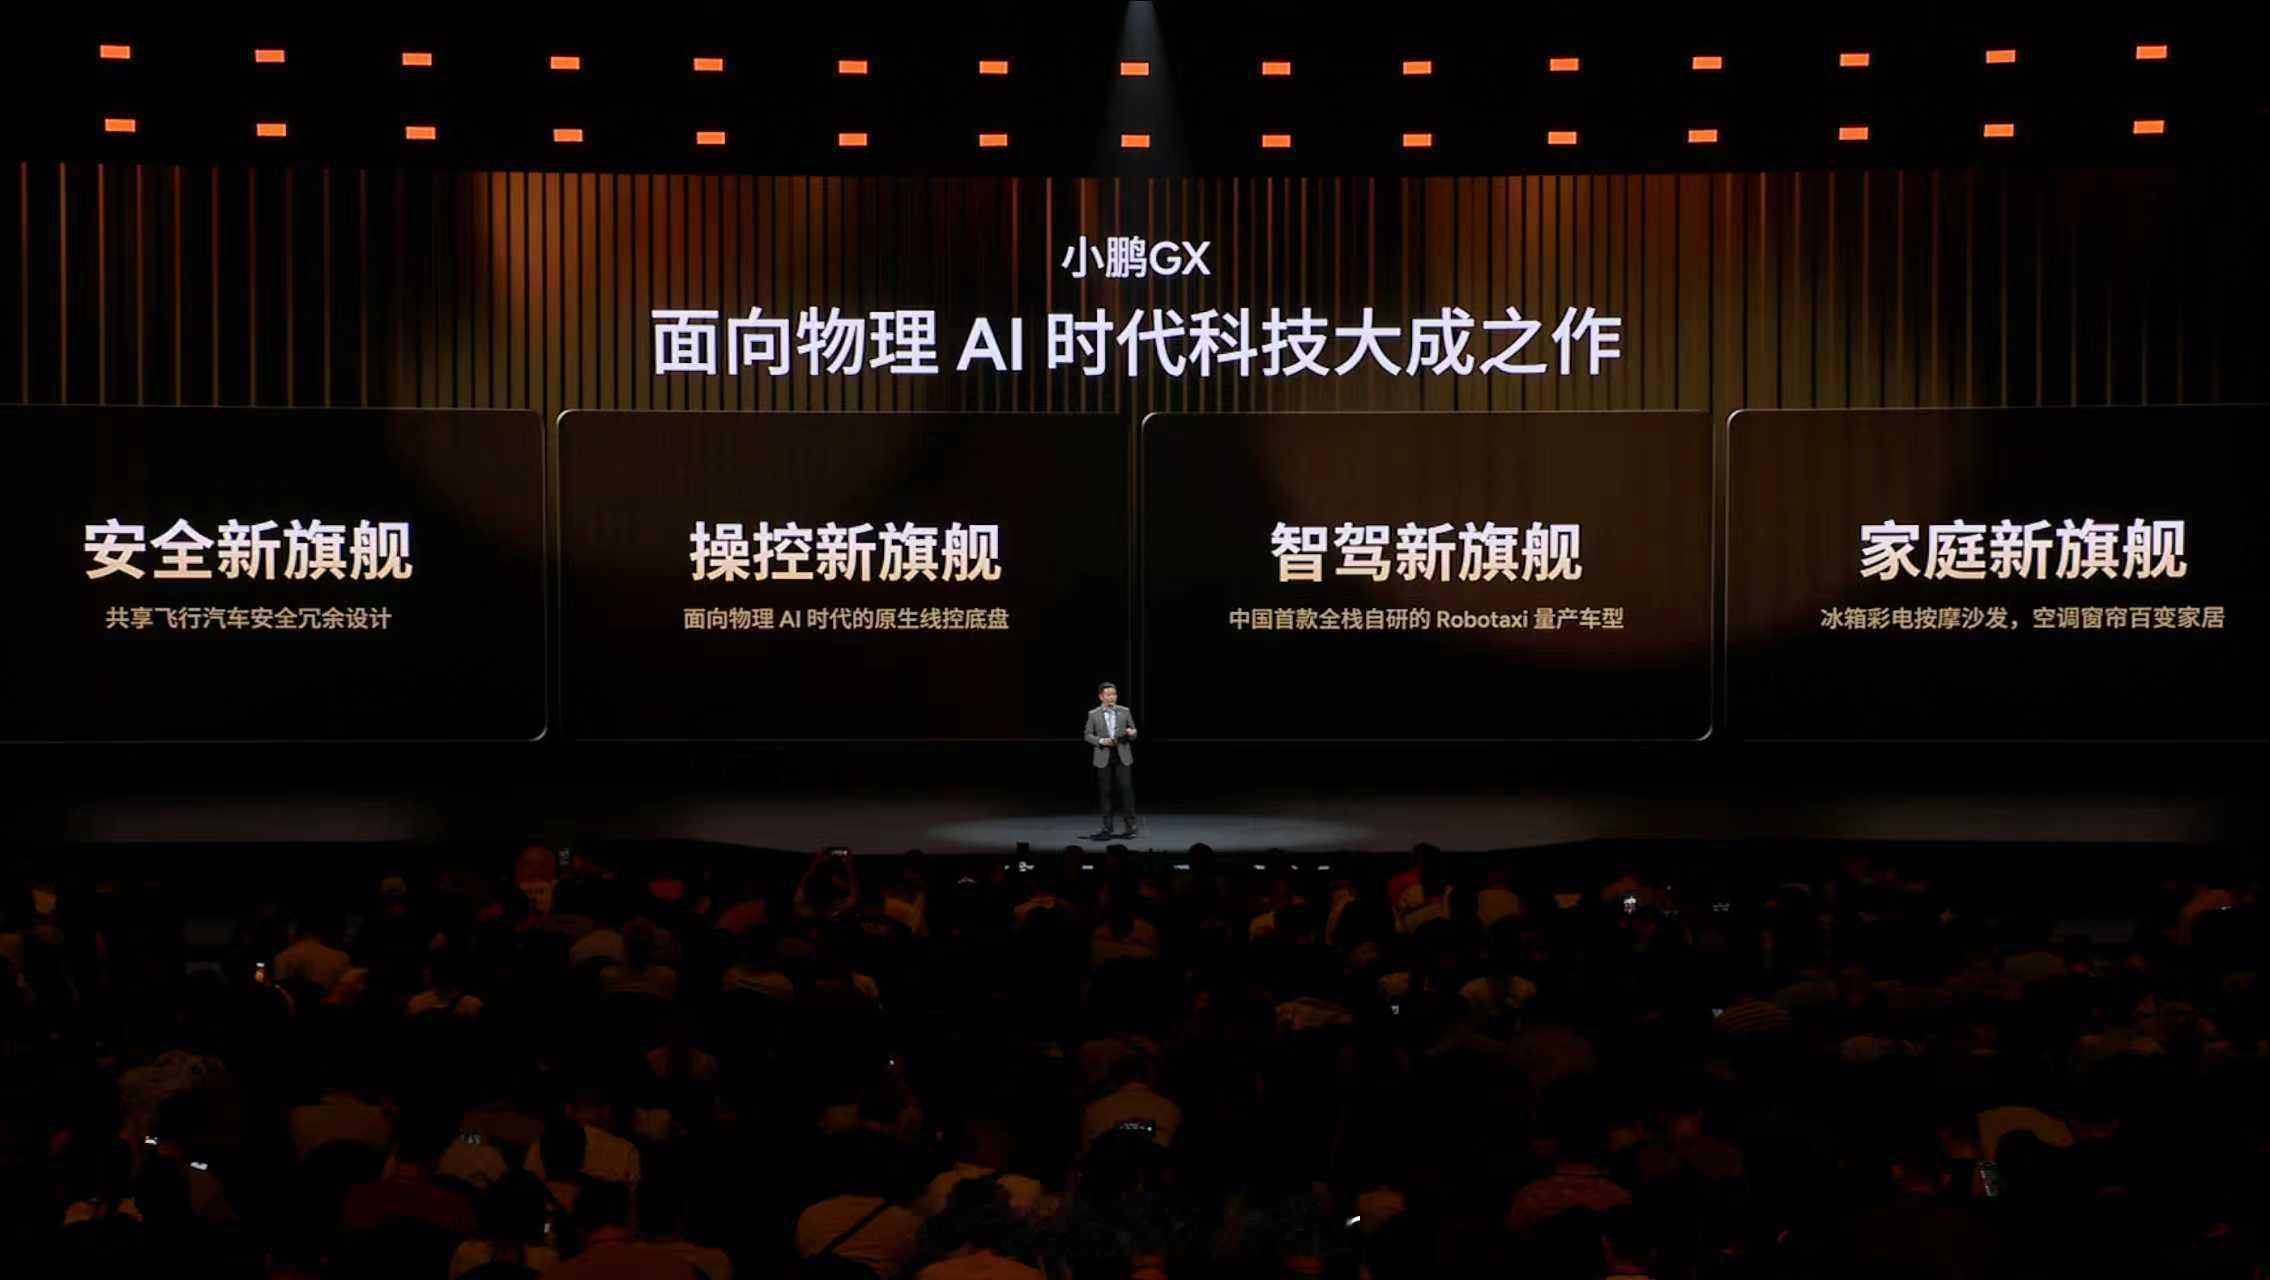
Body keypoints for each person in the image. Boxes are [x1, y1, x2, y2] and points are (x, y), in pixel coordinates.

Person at [1085, 682, 1138, 841]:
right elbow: (1087, 735)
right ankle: (1107, 828)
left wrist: (1132, 733)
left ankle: (1130, 827)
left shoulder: (1125, 711)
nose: (1112, 697)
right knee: (1105, 792)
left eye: (1114, 694)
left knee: (1126, 791)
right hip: (1104, 756)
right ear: (1101, 696)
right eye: (1108, 695)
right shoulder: (1093, 714)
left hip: (1122, 755)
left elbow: (1133, 732)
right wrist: (1101, 741)